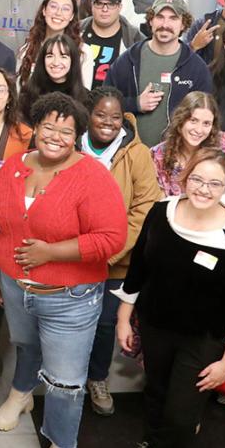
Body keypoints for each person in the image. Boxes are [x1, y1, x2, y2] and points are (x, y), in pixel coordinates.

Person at [0, 92, 127, 445]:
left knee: (65, 382)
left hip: (70, 296)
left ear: (78, 137)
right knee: (25, 346)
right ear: (35, 128)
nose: (54, 136)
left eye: (66, 131)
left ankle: (61, 441)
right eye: (47, 127)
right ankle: (21, 394)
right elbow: (0, 226)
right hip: (15, 286)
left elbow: (112, 238)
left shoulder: (92, 176)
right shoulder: (13, 167)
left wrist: (51, 252)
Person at [115, 148, 225, 447]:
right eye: (197, 179)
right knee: (155, 393)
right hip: (155, 325)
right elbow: (138, 267)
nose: (204, 190)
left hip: (203, 338)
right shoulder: (160, 212)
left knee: (181, 415)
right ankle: (151, 442)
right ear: (184, 177)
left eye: (214, 183)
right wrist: (123, 318)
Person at [79, 86, 163, 416]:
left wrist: (107, 251)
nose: (107, 122)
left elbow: (145, 208)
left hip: (116, 262)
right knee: (66, 322)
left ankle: (96, 378)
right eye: (100, 114)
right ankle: (63, 378)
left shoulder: (136, 154)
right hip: (71, 258)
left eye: (115, 117)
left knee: (103, 323)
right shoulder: (72, 145)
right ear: (88, 115)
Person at [104, 0, 213, 148]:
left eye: (173, 18)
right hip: (128, 153)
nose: (165, 24)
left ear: (183, 24)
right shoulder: (129, 60)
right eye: (160, 17)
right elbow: (104, 102)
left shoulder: (196, 68)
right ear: (151, 20)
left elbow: (206, 116)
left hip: (175, 157)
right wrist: (135, 104)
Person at [152, 91, 225, 216]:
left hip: (224, 220)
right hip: (178, 221)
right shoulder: (159, 154)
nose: (199, 130)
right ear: (180, 121)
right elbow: (161, 202)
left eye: (206, 123)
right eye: (193, 120)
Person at [17, 0, 92, 88]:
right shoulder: (27, 49)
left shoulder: (83, 52)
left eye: (65, 9)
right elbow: (19, 90)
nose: (58, 13)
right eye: (53, 6)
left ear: (72, 16)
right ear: (44, 10)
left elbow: (83, 94)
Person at [80, 0, 145, 86]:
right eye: (99, 3)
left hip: (115, 99)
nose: (104, 9)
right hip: (78, 99)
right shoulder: (76, 30)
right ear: (92, 6)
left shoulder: (133, 37)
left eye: (111, 4)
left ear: (119, 7)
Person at [18, 34, 90, 125]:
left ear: (73, 61)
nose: (56, 62)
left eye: (63, 56)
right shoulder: (28, 92)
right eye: (50, 56)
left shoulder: (84, 96)